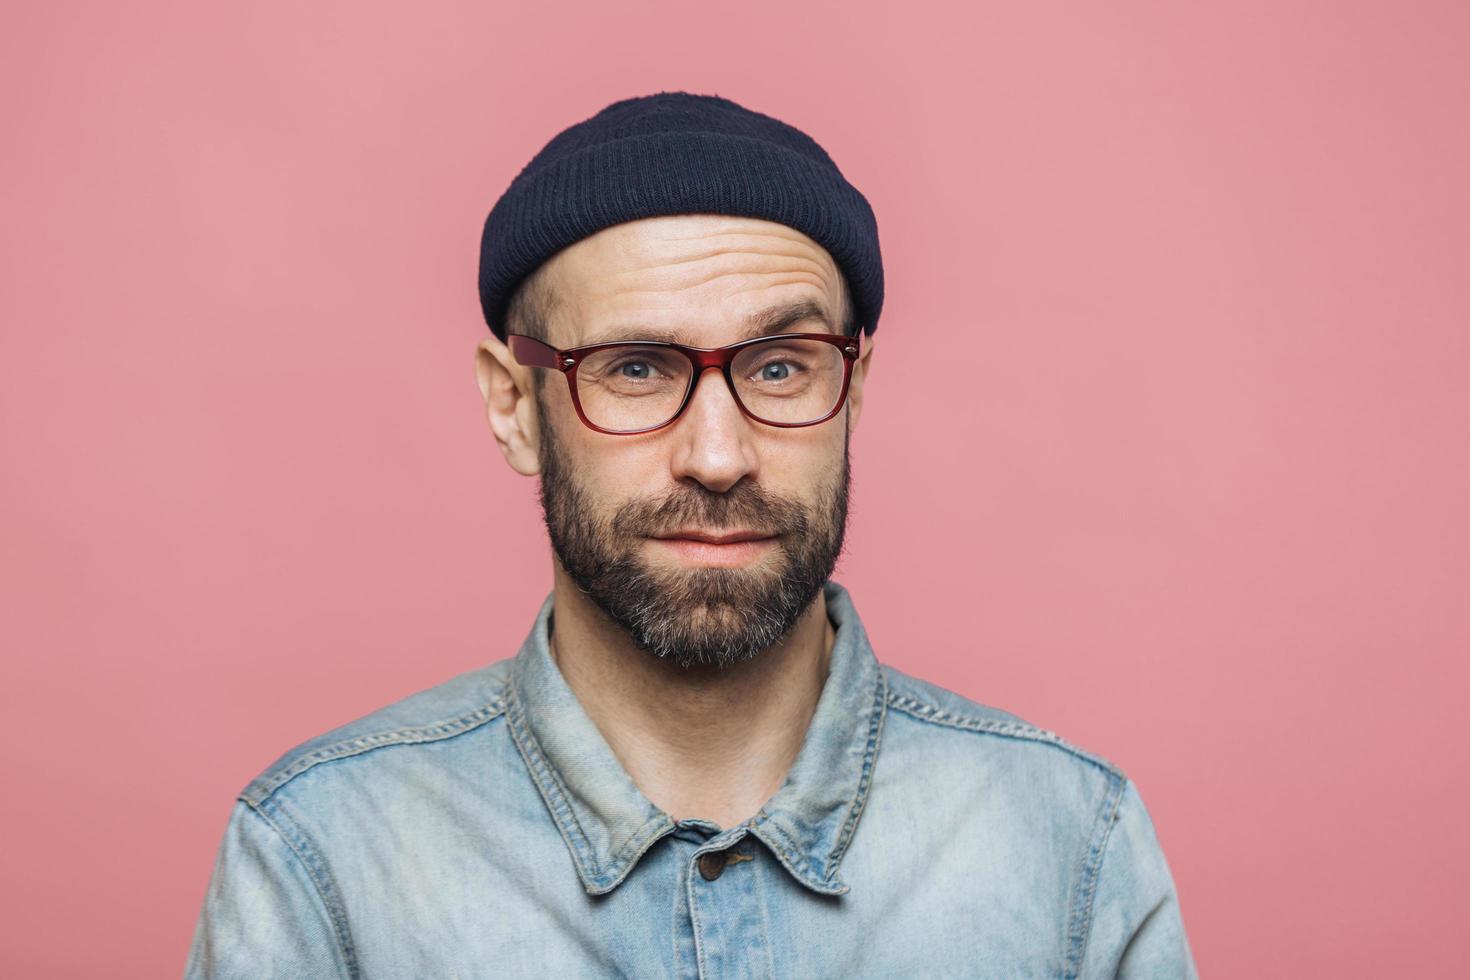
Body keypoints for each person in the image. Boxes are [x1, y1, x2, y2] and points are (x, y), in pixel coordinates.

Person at [186, 91, 1197, 979]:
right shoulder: (322, 860)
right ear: (512, 407)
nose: (719, 456)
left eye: (780, 366)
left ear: (855, 392)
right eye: (634, 367)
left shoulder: (1069, 842)